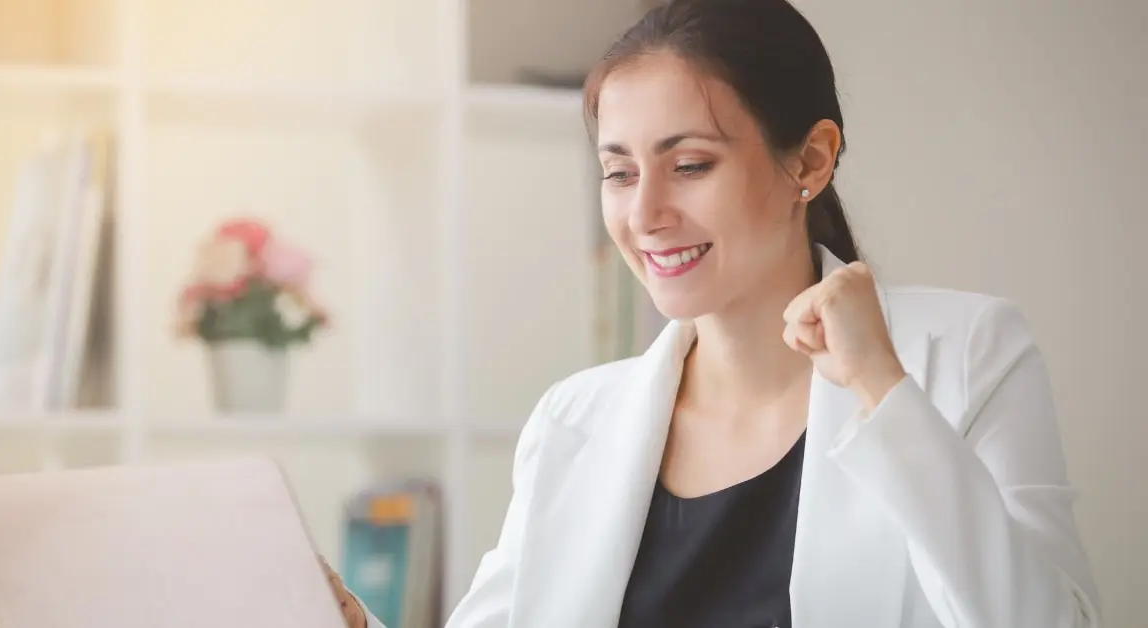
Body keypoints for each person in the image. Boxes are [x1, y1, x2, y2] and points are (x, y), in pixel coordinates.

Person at [327, 0, 1102, 626]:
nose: (646, 213)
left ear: (811, 159)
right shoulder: (575, 418)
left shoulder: (965, 354)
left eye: (690, 165)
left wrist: (883, 389)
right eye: (619, 172)